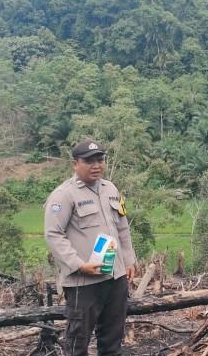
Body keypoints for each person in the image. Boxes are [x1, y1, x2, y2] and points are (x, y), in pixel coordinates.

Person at [44, 139, 136, 356]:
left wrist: (129, 259)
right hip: (84, 283)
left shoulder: (111, 189)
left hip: (115, 278)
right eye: (89, 161)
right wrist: (78, 265)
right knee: (77, 343)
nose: (96, 165)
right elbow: (53, 234)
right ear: (75, 164)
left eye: (100, 160)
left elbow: (122, 227)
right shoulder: (64, 194)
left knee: (112, 340)